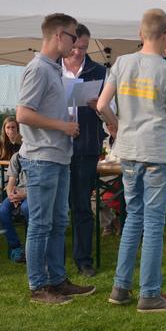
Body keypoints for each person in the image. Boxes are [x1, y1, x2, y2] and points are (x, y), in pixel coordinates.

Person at [98, 8, 166, 313]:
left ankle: (120, 288)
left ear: (140, 34)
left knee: (132, 218)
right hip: (155, 153)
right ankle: (149, 294)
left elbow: (101, 104)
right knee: (153, 223)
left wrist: (116, 125)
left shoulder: (122, 63)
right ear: (165, 36)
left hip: (129, 152)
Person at [16, 13, 95, 305]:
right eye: (73, 37)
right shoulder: (38, 69)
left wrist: (65, 122)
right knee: (41, 224)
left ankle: (57, 280)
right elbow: (23, 113)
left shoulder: (53, 70)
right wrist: (62, 126)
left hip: (59, 157)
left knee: (59, 221)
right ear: (59, 35)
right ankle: (39, 286)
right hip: (41, 157)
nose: (75, 44)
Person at [62, 23, 107, 277]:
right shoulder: (52, 68)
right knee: (58, 207)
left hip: (85, 147)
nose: (79, 52)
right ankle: (55, 258)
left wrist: (98, 106)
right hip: (56, 147)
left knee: (81, 205)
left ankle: (83, 259)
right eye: (76, 47)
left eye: (84, 47)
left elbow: (109, 112)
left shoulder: (98, 71)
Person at [0, 152, 28, 263]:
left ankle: (30, 248)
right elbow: (11, 182)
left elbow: (42, 185)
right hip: (17, 193)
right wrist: (11, 197)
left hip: (34, 194)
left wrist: (24, 195)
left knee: (26, 208)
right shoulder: (17, 157)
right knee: (2, 211)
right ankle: (15, 247)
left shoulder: (40, 156)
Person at [0, 116, 22, 193]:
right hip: (3, 170)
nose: (11, 130)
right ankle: (0, 195)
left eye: (13, 127)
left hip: (19, 170)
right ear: (4, 129)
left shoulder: (22, 141)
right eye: (8, 127)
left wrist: (15, 142)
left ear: (17, 128)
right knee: (6, 177)